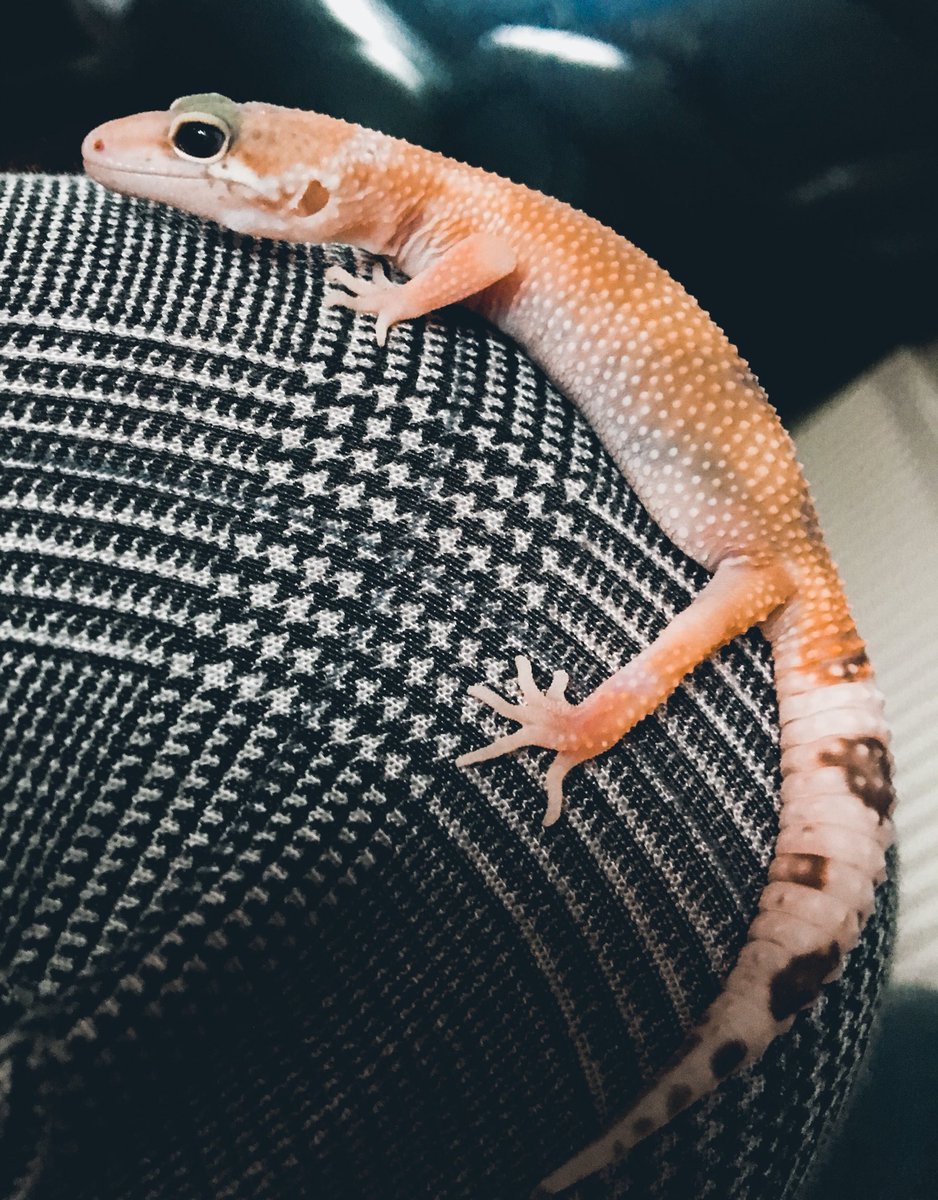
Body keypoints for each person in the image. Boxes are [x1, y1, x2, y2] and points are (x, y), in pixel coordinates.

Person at [0, 172, 895, 1200]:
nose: (138, 154)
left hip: (762, 555)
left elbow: (480, 264)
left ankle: (586, 730)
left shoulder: (456, 219)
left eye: (200, 145)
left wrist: (582, 726)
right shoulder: (430, 199)